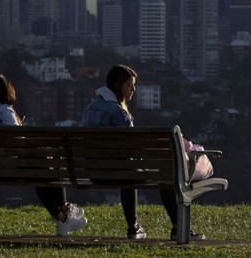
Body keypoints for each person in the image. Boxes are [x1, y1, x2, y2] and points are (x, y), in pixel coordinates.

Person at [81, 64, 213, 241]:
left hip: (93, 172)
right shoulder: (117, 112)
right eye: (129, 85)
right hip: (119, 173)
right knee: (164, 176)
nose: (133, 89)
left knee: (128, 173)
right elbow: (133, 146)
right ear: (116, 85)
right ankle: (177, 228)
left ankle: (134, 227)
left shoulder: (90, 108)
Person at [0, 74, 88, 237]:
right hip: (11, 168)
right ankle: (63, 215)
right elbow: (18, 142)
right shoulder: (3, 111)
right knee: (47, 166)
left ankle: (63, 217)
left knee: (43, 167)